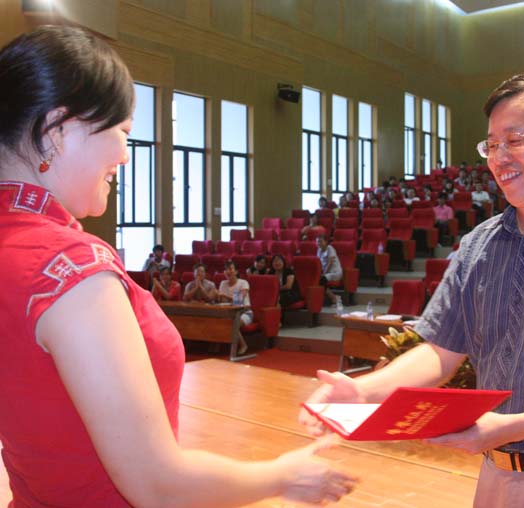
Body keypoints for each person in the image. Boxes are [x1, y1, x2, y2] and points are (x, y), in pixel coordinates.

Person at [0, 26, 355, 507]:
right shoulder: (72, 267)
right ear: (58, 130)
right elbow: (156, 485)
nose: (125, 156)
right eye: (123, 132)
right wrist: (283, 477)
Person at [301, 70, 524, 507]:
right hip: (495, 476)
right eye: (491, 145)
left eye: (514, 140)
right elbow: (440, 351)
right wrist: (363, 392)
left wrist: (510, 426)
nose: (499, 158)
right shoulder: (480, 244)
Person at [218, 261, 252, 354]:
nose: (228, 272)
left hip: (245, 313)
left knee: (233, 323)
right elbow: (223, 302)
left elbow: (239, 300)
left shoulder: (243, 283)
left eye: (230, 269)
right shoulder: (223, 283)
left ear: (236, 271)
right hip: (229, 313)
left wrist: (224, 296)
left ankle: (243, 345)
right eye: (226, 270)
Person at [316, 234, 342, 305]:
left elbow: (330, 262)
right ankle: (334, 297)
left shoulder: (330, 248)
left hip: (334, 272)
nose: (319, 243)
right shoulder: (319, 250)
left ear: (326, 242)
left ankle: (333, 297)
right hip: (326, 273)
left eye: (320, 241)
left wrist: (324, 273)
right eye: (317, 242)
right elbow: (318, 263)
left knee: (321, 280)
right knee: (317, 280)